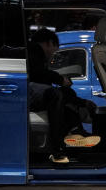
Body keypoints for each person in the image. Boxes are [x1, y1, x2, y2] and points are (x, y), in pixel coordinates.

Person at [27, 28, 99, 164]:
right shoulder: (33, 51)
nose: (53, 54)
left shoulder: (35, 54)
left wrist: (81, 101)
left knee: (65, 93)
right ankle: (57, 147)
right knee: (55, 94)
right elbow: (38, 73)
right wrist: (60, 79)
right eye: (54, 49)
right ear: (49, 43)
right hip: (28, 94)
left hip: (35, 93)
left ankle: (77, 129)